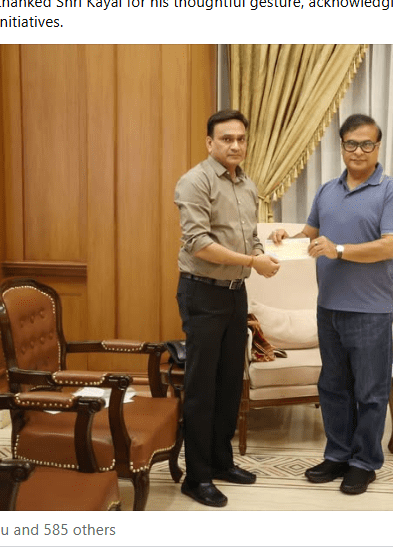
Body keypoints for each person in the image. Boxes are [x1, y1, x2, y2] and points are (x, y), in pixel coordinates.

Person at [270, 113, 393, 495]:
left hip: (371, 310)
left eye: (366, 144)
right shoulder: (326, 190)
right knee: (332, 387)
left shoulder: (391, 191)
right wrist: (284, 237)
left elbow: (391, 246)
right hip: (328, 307)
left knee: (370, 392)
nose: (358, 151)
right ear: (342, 146)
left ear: (378, 147)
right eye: (351, 144)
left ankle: (364, 463)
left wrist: (340, 250)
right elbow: (309, 235)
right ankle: (337, 455)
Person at [175, 109, 281, 507]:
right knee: (202, 387)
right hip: (202, 292)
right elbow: (199, 243)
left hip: (236, 293)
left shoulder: (247, 184)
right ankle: (196, 477)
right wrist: (254, 261)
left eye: (240, 139)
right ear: (210, 142)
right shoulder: (195, 181)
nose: (235, 145)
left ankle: (221, 462)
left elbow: (250, 237)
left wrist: (263, 251)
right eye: (226, 139)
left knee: (229, 384)